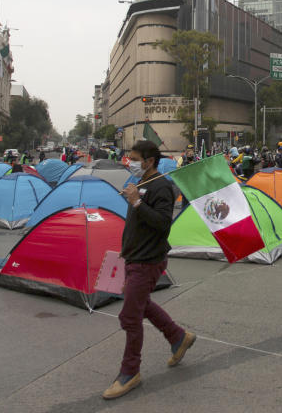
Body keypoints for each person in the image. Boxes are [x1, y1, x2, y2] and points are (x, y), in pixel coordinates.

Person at [104, 140, 194, 400]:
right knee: (142, 305)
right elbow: (136, 225)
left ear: (149, 161)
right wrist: (124, 252)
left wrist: (137, 203)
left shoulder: (162, 187)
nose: (130, 162)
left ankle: (130, 373)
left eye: (134, 158)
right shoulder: (140, 184)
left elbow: (163, 224)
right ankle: (178, 337)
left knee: (130, 318)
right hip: (134, 257)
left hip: (148, 261)